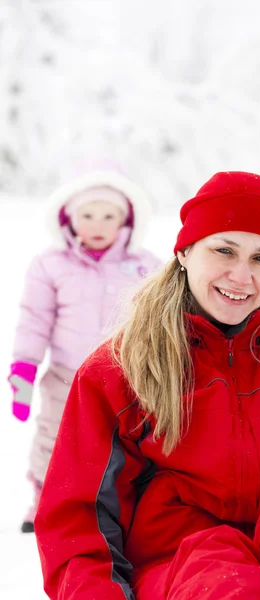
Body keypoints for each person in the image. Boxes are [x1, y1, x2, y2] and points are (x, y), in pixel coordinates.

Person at [35, 171, 260, 600]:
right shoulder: (116, 371)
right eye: (223, 250)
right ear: (185, 252)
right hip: (181, 567)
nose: (241, 276)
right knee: (216, 561)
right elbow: (79, 527)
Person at [8, 165, 162, 533]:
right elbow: (34, 317)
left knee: (120, 437)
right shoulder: (51, 265)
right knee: (54, 435)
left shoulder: (144, 266)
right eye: (87, 215)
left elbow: (158, 320)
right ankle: (46, 498)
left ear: (126, 220)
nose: (98, 224)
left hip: (124, 374)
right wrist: (25, 368)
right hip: (65, 372)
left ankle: (122, 500)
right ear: (68, 218)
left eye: (109, 215)